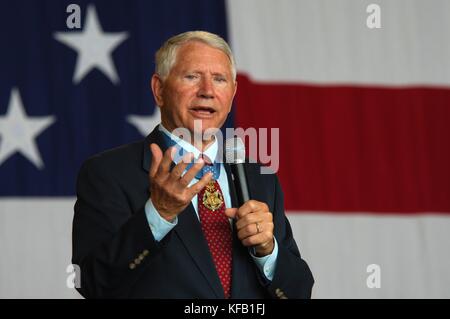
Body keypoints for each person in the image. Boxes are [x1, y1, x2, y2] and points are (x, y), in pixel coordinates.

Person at [72, 31, 314, 299]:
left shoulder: (259, 176)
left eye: (219, 79)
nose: (207, 91)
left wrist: (267, 251)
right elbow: (92, 283)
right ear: (159, 89)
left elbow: (298, 293)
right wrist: (158, 214)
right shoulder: (108, 173)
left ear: (232, 93)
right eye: (192, 77)